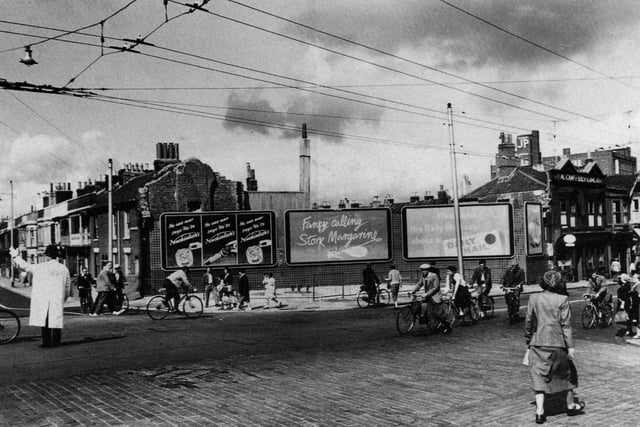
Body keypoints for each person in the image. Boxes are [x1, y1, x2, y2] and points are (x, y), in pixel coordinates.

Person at [525, 268, 585, 424]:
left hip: (538, 342)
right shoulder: (562, 299)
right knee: (567, 373)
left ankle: (539, 412)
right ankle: (571, 405)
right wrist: (570, 347)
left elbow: (529, 322)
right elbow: (566, 325)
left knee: (538, 376)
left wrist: (529, 339)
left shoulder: (534, 298)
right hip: (558, 343)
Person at [10, 245, 71, 348]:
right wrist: (64, 298)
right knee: (56, 319)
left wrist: (16, 256)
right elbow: (67, 287)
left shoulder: (40, 267)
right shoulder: (63, 269)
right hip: (56, 297)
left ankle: (46, 341)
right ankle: (56, 341)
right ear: (57, 256)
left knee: (45, 320)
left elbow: (25, 266)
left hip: (44, 297)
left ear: (47, 255)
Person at [410, 262, 452, 334]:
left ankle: (447, 325)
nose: (422, 271)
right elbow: (419, 284)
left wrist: (426, 294)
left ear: (428, 270)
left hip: (435, 296)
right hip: (428, 297)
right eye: (421, 270)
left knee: (438, 314)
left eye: (424, 270)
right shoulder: (423, 276)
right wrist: (412, 291)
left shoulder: (434, 276)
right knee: (429, 312)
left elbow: (435, 287)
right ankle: (432, 327)